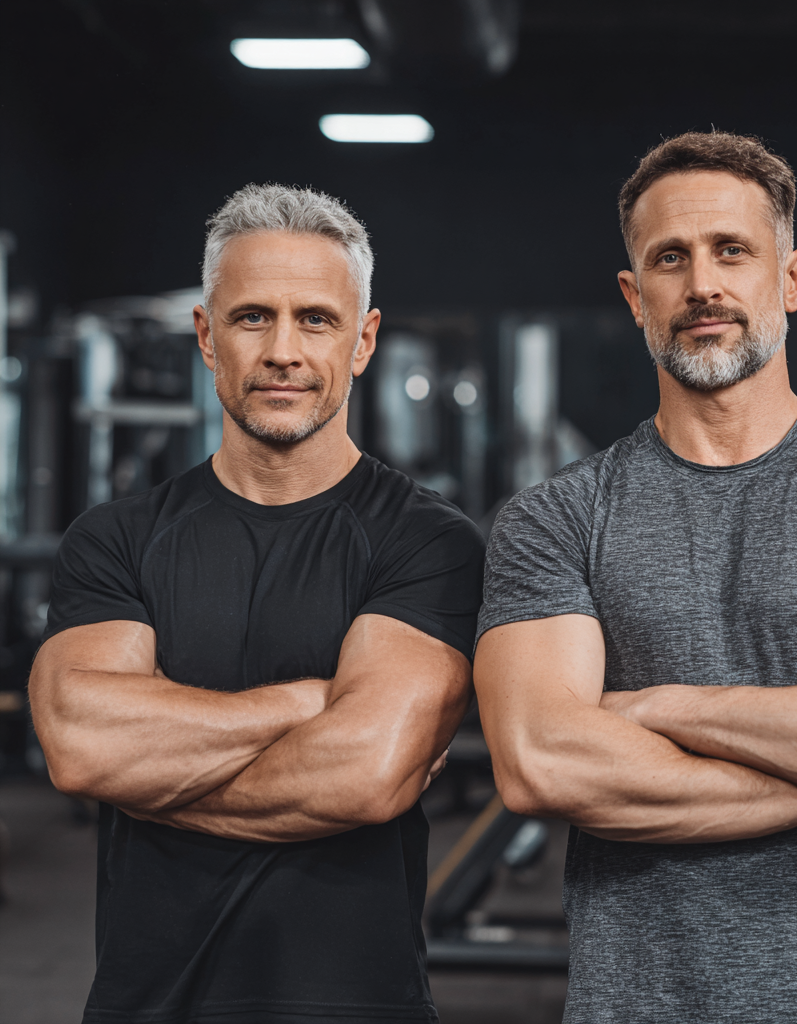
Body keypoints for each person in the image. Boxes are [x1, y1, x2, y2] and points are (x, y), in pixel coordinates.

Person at [473, 132, 797, 1024]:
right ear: (636, 298)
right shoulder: (553, 519)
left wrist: (651, 708)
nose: (702, 285)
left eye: (731, 251)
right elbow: (543, 761)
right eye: (669, 259)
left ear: (790, 279)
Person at [29, 184, 484, 1024]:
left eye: (315, 318)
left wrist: (152, 778)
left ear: (363, 341)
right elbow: (83, 749)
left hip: (356, 1005)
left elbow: (368, 774)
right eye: (251, 318)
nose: (283, 350)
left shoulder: (428, 542)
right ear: (207, 336)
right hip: (147, 1003)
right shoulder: (117, 538)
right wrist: (309, 704)